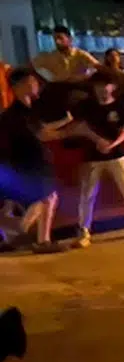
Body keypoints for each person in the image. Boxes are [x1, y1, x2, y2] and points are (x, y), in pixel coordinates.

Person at [72, 70, 124, 246]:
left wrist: (112, 144)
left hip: (118, 155)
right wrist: (98, 140)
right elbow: (81, 126)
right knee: (87, 195)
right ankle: (83, 231)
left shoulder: (120, 106)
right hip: (92, 156)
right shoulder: (86, 106)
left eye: (106, 85)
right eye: (98, 85)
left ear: (113, 87)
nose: (102, 89)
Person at [0, 68, 77, 253]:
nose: (36, 86)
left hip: (34, 162)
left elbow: (41, 128)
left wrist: (65, 122)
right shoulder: (15, 115)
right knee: (46, 198)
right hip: (28, 163)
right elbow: (41, 134)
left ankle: (36, 239)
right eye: (32, 82)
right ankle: (26, 236)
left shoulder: (28, 111)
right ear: (20, 86)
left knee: (47, 198)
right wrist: (72, 131)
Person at [32, 26, 99, 83]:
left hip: (77, 89)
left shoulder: (81, 55)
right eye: (55, 39)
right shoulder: (49, 56)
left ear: (70, 39)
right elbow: (32, 66)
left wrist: (82, 73)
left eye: (60, 38)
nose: (57, 42)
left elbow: (96, 67)